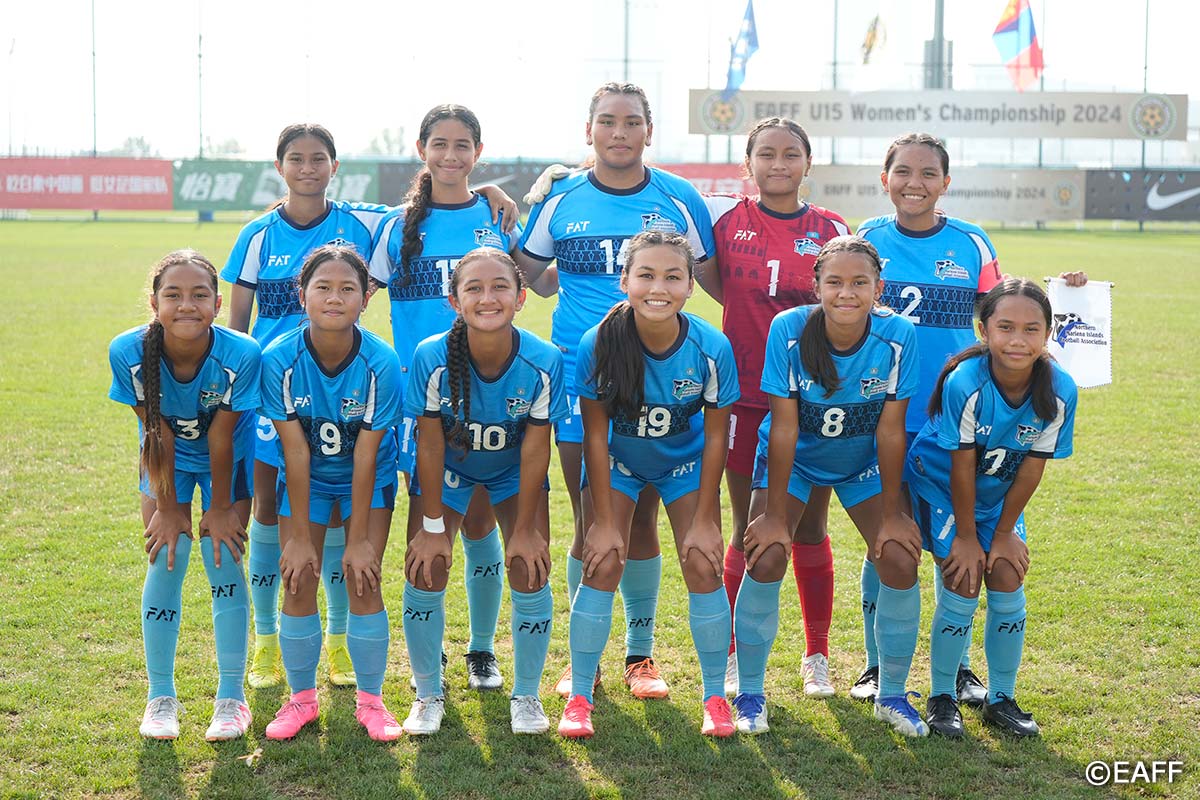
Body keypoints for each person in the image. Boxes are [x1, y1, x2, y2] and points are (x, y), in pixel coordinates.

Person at [856, 132, 1089, 707]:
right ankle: (875, 664)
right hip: (885, 411)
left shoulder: (970, 242)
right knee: (887, 542)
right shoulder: (864, 239)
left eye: (928, 173)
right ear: (884, 179)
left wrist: (1065, 293)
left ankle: (954, 668)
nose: (915, 183)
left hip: (954, 418)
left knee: (946, 548)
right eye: (903, 172)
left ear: (946, 182)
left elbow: (1006, 311)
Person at [516, 83, 716, 701]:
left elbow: (706, 277)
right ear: (589, 131)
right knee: (589, 516)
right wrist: (517, 201)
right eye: (608, 121)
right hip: (586, 379)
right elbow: (531, 277)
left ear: (649, 132)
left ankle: (639, 654)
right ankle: (586, 661)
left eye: (632, 122)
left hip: (662, 381)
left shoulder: (679, 198)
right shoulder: (561, 198)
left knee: (641, 521)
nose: (620, 132)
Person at [733, 236, 924, 736]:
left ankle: (893, 695)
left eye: (860, 282)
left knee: (899, 558)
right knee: (768, 552)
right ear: (815, 285)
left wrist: (891, 512)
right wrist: (774, 515)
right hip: (795, 460)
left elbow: (889, 428)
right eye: (834, 281)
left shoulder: (899, 335)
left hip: (861, 464)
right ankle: (750, 693)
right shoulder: (789, 329)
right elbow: (784, 427)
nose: (847, 292)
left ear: (879, 287)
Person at [222, 123, 389, 691]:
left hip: (341, 392)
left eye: (319, 158)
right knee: (271, 513)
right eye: (296, 158)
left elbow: (429, 203)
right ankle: (267, 640)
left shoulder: (359, 223)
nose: (308, 168)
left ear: (334, 166)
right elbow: (236, 325)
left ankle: (340, 641)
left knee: (339, 514)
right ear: (280, 166)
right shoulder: (256, 234)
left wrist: (495, 191)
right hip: (276, 395)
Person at [557, 231, 737, 739]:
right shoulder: (600, 341)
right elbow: (594, 434)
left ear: (690, 285)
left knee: (703, 563)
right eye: (646, 275)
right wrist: (604, 520)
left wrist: (705, 519)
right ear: (625, 281)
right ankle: (580, 696)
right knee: (604, 557)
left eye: (673, 276)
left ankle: (715, 699)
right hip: (619, 463)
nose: (659, 287)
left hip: (683, 465)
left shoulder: (709, 345)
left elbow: (717, 438)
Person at [368, 104, 522, 693]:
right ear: (421, 148)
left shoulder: (495, 214)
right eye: (440, 144)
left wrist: (544, 180)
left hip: (489, 396)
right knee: (427, 527)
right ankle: (426, 666)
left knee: (480, 522)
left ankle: (482, 650)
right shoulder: (394, 225)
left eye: (463, 146)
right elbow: (356, 292)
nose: (451, 155)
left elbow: (529, 273)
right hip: (421, 400)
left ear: (477, 153)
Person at [701, 117, 850, 698]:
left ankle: (816, 654)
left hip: (812, 400)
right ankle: (738, 653)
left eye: (791, 155)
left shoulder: (831, 227)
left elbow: (850, 293)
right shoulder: (723, 221)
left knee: (810, 526)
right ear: (749, 163)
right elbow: (717, 285)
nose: (779, 164)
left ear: (808, 164)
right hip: (743, 396)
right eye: (767, 154)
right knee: (750, 527)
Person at [402, 248, 567, 735]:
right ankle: (428, 691)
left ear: (520, 297)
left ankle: (527, 695)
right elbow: (428, 446)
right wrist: (432, 527)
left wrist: (530, 528)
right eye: (474, 287)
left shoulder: (542, 359)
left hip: (512, 473)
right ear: (455, 300)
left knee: (530, 566)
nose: (488, 297)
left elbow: (538, 450)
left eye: (500, 286)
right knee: (427, 565)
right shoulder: (431, 355)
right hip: (448, 471)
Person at [907, 278, 1076, 738]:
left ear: (1047, 334)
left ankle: (1001, 696)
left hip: (997, 496)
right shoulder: (967, 381)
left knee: (1006, 572)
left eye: (1031, 329)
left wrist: (1003, 533)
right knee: (963, 578)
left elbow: (1031, 469)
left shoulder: (1060, 389)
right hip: (941, 488)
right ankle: (943, 695)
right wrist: (965, 537)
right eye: (1005, 327)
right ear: (984, 331)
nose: (1017, 340)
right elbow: (961, 467)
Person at [109, 250, 260, 741]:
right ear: (154, 303)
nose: (186, 305)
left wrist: (217, 509)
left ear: (218, 304)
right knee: (166, 557)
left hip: (227, 462)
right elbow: (157, 430)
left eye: (199, 295)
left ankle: (232, 699)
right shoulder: (128, 350)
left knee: (222, 557)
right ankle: (160, 697)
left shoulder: (241, 352)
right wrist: (171, 507)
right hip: (162, 457)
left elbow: (222, 435)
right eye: (172, 295)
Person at [257, 246, 404, 742]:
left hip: (367, 477)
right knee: (298, 579)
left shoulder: (381, 362)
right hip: (309, 480)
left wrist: (359, 537)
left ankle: (372, 703)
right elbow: (294, 453)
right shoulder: (279, 359)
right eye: (322, 287)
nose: (334, 297)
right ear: (302, 296)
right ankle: (300, 701)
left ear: (366, 298)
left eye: (347, 288)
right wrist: (298, 536)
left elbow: (367, 455)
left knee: (363, 578)